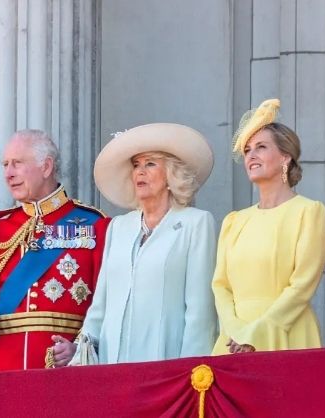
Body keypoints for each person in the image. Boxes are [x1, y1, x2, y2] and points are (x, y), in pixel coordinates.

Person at [53, 123, 218, 366]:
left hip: (166, 362)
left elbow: (200, 312)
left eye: (150, 164)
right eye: (136, 165)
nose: (140, 172)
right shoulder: (119, 226)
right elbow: (100, 305)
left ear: (171, 174)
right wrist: (81, 349)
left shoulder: (196, 223)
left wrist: (190, 371)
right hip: (112, 364)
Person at [0, 129, 110, 371]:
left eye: (17, 163)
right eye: (5, 165)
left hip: (61, 366)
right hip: (1, 365)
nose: (8, 174)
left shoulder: (94, 224)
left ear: (46, 167)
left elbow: (106, 303)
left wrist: (81, 348)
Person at [212, 98, 325, 355]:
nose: (251, 155)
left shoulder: (308, 211)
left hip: (286, 333)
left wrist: (257, 333)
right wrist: (236, 331)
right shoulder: (234, 221)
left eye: (261, 147)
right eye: (247, 150)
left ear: (285, 157)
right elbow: (220, 286)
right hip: (233, 342)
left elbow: (302, 285)